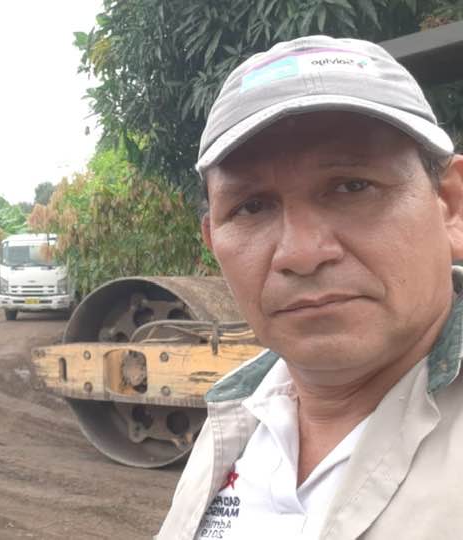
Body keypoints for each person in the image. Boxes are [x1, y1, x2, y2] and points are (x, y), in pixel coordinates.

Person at [157, 35, 463, 539]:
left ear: (450, 205)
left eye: (352, 186)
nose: (301, 253)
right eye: (251, 206)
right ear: (213, 242)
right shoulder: (235, 419)